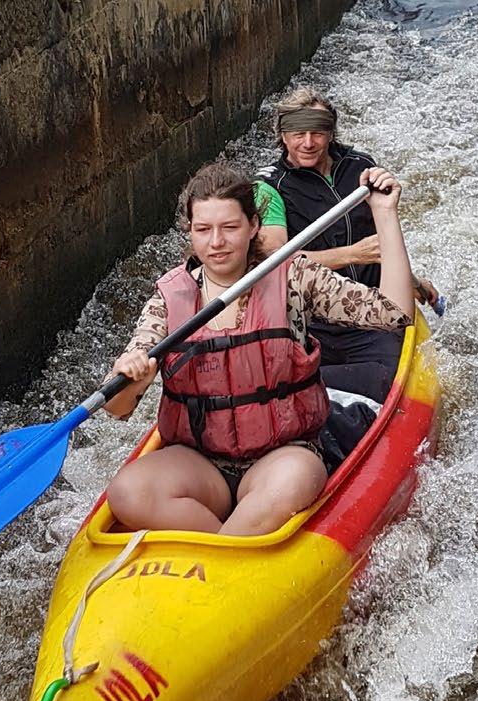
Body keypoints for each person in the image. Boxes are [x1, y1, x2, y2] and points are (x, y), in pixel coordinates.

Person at [104, 160, 414, 537]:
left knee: (291, 480)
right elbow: (117, 409)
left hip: (280, 455)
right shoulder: (170, 298)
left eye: (230, 227)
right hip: (200, 464)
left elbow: (395, 313)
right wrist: (131, 376)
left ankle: (224, 554)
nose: (216, 242)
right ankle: (226, 542)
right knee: (126, 492)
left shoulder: (293, 276)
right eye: (203, 229)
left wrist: (384, 213)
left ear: (253, 226)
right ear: (190, 232)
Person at [255, 87, 438, 404]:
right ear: (282, 135)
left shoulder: (360, 168)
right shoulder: (268, 188)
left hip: (372, 314)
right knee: (289, 390)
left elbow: (382, 243)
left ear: (331, 132)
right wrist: (351, 255)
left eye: (318, 132)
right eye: (298, 133)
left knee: (385, 381)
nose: (308, 143)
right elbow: (273, 262)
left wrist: (411, 282)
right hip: (313, 325)